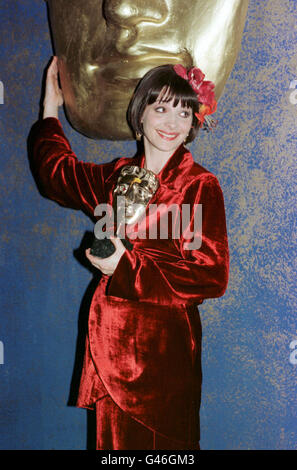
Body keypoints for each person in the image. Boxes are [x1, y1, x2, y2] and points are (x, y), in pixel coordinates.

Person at [30, 56, 229, 450]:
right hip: (109, 348)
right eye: (161, 109)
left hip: (164, 356)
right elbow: (56, 173)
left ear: (194, 122)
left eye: (184, 112)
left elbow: (211, 275)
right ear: (140, 115)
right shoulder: (112, 177)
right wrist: (49, 110)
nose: (172, 123)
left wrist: (128, 265)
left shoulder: (199, 186)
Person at [46, 0, 249, 138]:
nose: (122, 9)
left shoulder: (199, 188)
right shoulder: (108, 182)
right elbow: (59, 176)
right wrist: (50, 109)